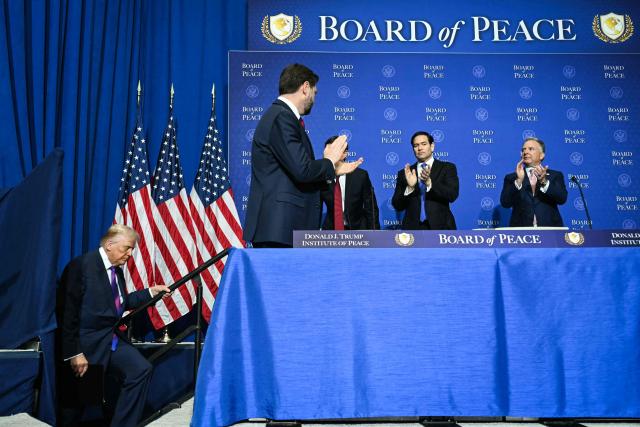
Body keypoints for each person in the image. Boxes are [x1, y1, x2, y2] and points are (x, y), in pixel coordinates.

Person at [58, 224, 171, 427]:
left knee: (140, 369)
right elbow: (68, 312)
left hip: (111, 341)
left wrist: (150, 293)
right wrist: (75, 352)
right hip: (88, 344)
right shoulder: (82, 265)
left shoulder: (116, 271)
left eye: (131, 250)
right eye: (126, 248)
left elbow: (119, 303)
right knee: (79, 405)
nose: (129, 254)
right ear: (110, 244)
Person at [243, 63, 363, 247]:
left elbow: (294, 173)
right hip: (280, 229)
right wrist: (329, 161)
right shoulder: (282, 117)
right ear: (305, 88)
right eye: (315, 92)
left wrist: (333, 169)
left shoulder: (282, 116)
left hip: (284, 229)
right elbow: (302, 170)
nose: (314, 99)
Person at [392, 131, 459, 230]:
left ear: (432, 146)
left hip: (441, 227)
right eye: (416, 145)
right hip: (413, 229)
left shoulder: (447, 168)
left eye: (424, 144)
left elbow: (452, 195)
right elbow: (397, 205)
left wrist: (430, 183)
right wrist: (410, 187)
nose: (420, 148)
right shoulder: (405, 173)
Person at [500, 137, 568, 227]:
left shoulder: (555, 175)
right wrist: (519, 181)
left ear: (541, 155)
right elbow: (505, 203)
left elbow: (562, 199)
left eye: (531, 149)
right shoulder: (512, 178)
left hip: (550, 231)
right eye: (523, 150)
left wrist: (544, 182)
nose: (526, 152)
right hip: (522, 233)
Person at [320, 136, 380, 230]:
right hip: (331, 230)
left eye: (333, 151)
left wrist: (375, 234)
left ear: (345, 153)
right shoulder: (321, 176)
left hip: (358, 229)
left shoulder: (360, 176)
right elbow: (314, 207)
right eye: (327, 151)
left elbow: (371, 208)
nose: (329, 155)